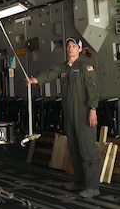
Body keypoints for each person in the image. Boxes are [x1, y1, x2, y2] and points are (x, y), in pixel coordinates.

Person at [26, 37, 101, 198]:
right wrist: (35, 80)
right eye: (68, 46)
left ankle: (93, 186)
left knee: (87, 149)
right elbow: (50, 74)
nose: (70, 49)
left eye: (74, 46)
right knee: (74, 148)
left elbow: (93, 89)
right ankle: (80, 182)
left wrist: (93, 109)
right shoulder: (63, 67)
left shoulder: (84, 67)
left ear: (80, 50)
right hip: (69, 113)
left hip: (84, 113)